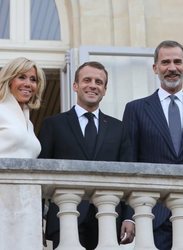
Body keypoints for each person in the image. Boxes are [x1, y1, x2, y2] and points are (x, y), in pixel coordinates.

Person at [122, 40, 183, 250]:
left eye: (177, 62)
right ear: (155, 68)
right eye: (165, 62)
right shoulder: (136, 109)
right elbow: (129, 165)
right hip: (152, 216)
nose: (172, 68)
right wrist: (129, 216)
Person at [38, 61, 135, 249]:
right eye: (87, 80)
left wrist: (130, 217)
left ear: (105, 90)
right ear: (75, 85)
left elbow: (129, 175)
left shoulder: (119, 129)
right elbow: (41, 175)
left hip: (108, 216)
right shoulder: (54, 124)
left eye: (99, 82)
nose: (93, 85)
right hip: (65, 215)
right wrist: (37, 219)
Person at [0, 57, 45, 158]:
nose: (28, 84)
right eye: (21, 77)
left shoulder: (29, 124)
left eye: (33, 79)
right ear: (9, 80)